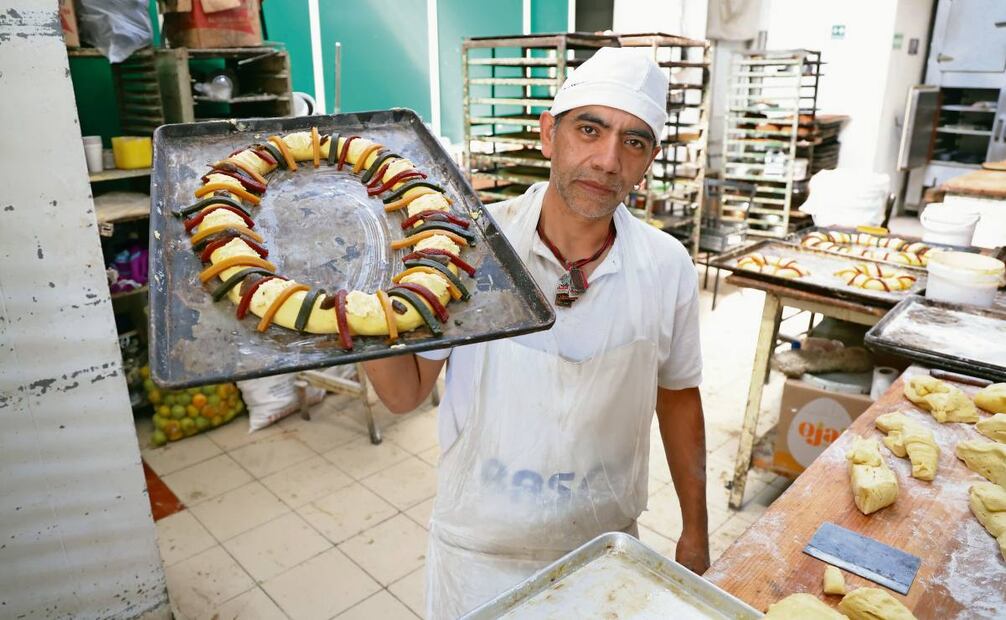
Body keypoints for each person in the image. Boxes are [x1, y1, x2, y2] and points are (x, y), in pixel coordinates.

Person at [362, 46, 708, 619]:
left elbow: (677, 396)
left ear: (650, 160)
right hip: (479, 556)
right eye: (589, 129)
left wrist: (695, 531)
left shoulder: (666, 265)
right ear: (549, 134)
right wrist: (365, 292)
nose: (606, 160)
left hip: (604, 555)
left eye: (634, 141)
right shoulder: (470, 248)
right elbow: (403, 394)